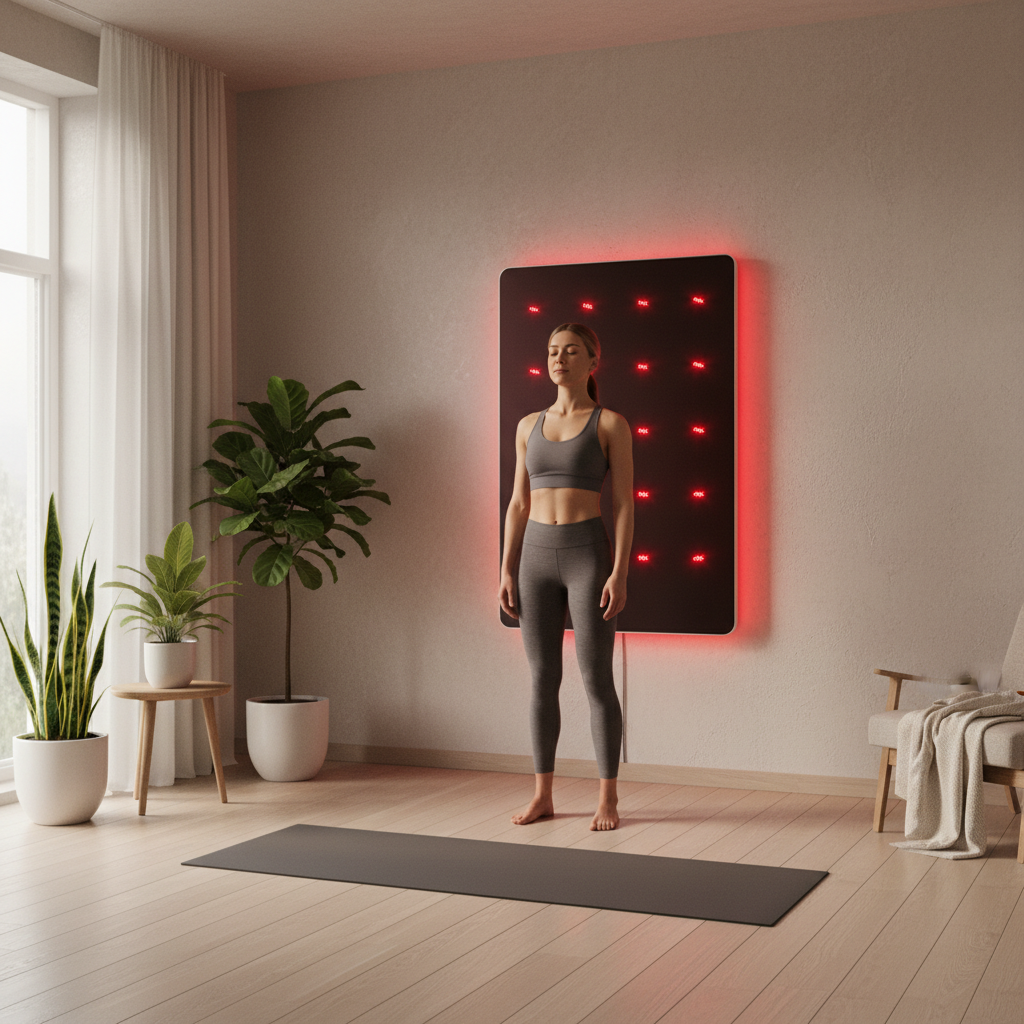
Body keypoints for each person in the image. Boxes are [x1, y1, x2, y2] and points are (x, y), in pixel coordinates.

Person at [499, 323, 634, 831]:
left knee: (596, 679)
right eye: (553, 351)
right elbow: (517, 502)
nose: (559, 359)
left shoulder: (609, 424)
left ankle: (608, 799)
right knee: (541, 680)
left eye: (571, 351)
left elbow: (622, 505)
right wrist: (505, 568)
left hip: (586, 555)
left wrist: (619, 570)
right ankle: (543, 795)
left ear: (593, 360)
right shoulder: (526, 424)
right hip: (534, 556)